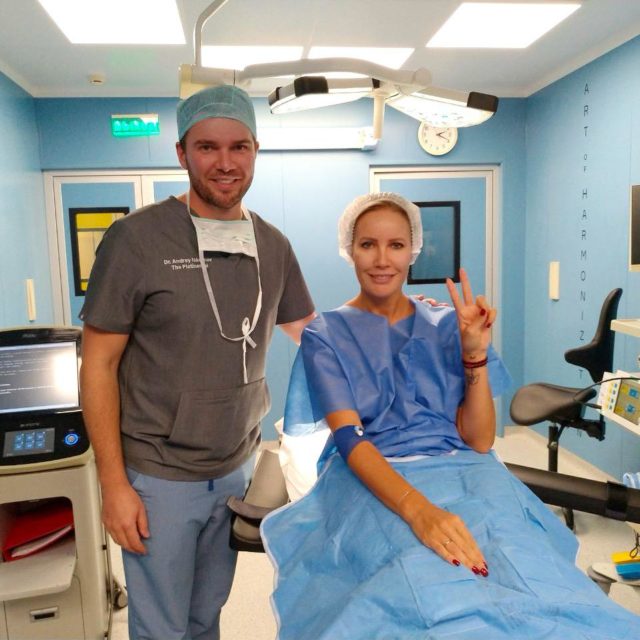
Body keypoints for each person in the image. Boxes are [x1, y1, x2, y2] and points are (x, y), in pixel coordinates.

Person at [261, 192, 640, 639]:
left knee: (524, 566)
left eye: (396, 245)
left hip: (466, 473)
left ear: (413, 250)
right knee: (412, 579)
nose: (382, 259)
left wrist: (473, 352)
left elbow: (479, 441)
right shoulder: (325, 334)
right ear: (349, 250)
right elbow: (350, 439)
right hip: (373, 476)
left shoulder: (447, 324)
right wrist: (419, 511)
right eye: (367, 245)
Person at [79, 85, 315, 640]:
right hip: (158, 473)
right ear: (182, 153)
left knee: (206, 615)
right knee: (162, 627)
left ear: (255, 151)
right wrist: (113, 484)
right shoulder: (135, 240)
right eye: (208, 147)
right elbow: (97, 367)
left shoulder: (273, 245)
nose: (225, 163)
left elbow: (313, 334)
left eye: (239, 146)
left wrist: (397, 323)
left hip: (234, 465)